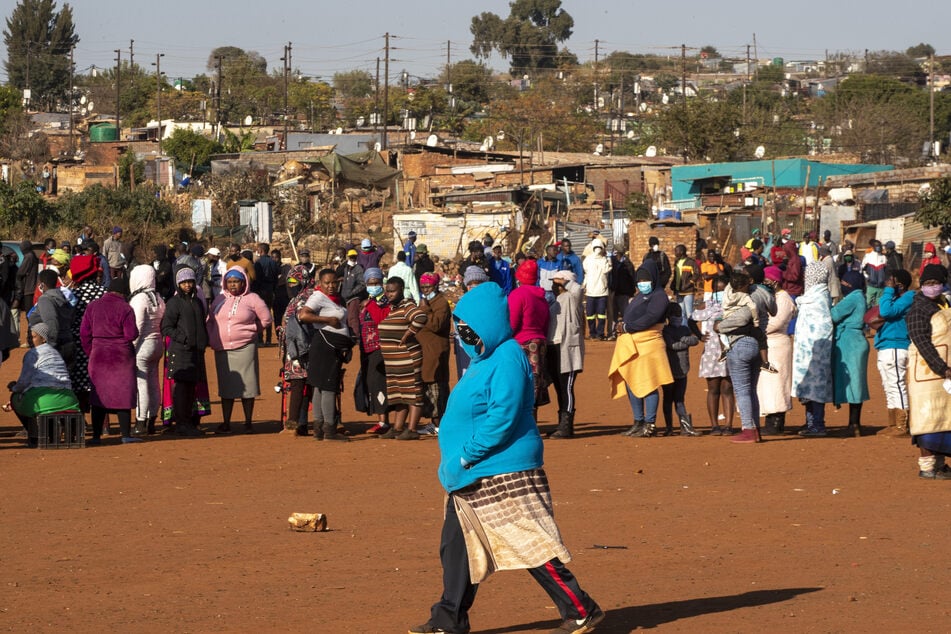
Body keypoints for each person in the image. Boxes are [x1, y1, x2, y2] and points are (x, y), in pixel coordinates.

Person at [409, 281, 603, 634]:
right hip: (471, 473)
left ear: (489, 323)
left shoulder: (509, 357)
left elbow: (505, 415)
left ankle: (581, 609)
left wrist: (468, 454)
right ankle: (448, 619)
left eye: (470, 330)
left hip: (499, 469)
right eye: (461, 330)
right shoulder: (485, 360)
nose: (465, 337)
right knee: (457, 547)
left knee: (531, 543)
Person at [610, 260, 672, 438]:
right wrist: (623, 325)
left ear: (654, 278)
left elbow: (652, 316)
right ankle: (638, 421)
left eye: (646, 279)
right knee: (631, 381)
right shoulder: (639, 296)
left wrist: (628, 327)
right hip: (632, 344)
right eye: (640, 280)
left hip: (649, 344)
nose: (642, 283)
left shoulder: (660, 296)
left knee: (650, 383)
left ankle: (650, 423)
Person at [207, 267, 272, 434]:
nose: (233, 285)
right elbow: (210, 320)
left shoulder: (253, 299)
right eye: (229, 282)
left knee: (248, 386)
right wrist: (213, 336)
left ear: (243, 282)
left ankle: (248, 422)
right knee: (226, 388)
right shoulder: (219, 299)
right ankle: (226, 422)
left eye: (236, 281)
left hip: (245, 348)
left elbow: (266, 319)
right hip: (222, 349)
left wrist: (251, 330)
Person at [79, 277, 139, 445]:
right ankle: (126, 435)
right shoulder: (126, 308)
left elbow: (84, 333)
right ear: (123, 292)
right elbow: (130, 334)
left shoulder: (93, 306)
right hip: (121, 356)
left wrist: (91, 351)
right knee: (123, 396)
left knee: (99, 397)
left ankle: (96, 436)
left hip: (98, 356)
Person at [905, 264, 951, 479]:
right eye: (927, 284)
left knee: (944, 419)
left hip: (944, 374)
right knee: (927, 420)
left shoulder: (944, 304)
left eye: (936, 283)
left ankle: (940, 464)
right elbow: (921, 341)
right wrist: (941, 367)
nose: (932, 287)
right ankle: (927, 466)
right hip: (925, 372)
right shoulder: (918, 308)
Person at [298, 269, 352, 441]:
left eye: (334, 282)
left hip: (329, 346)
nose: (331, 286)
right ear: (320, 283)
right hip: (325, 346)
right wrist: (327, 320)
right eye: (327, 283)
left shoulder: (337, 299)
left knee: (320, 386)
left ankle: (319, 429)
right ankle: (329, 430)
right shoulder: (318, 297)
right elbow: (303, 315)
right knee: (328, 386)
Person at [8, 322, 80, 448]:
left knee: (16, 398)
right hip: (69, 398)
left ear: (43, 339)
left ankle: (34, 436)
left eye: (34, 337)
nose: (31, 340)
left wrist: (14, 388)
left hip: (44, 399)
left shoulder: (32, 354)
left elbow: (24, 382)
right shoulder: (56, 353)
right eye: (29, 337)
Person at [716, 270, 766, 444]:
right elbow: (773, 308)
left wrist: (720, 326)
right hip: (757, 345)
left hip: (739, 345)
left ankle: (748, 430)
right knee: (751, 389)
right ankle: (756, 428)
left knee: (742, 390)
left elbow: (742, 318)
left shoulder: (739, 298)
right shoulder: (762, 293)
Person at [160, 267, 210, 437]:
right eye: (183, 282)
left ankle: (187, 422)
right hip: (181, 351)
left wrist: (203, 342)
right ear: (178, 284)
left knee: (190, 389)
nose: (187, 285)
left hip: (196, 352)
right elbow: (166, 327)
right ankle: (181, 423)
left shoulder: (196, 302)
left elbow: (202, 324)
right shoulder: (174, 303)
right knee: (181, 389)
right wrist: (183, 338)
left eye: (190, 282)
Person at [377, 276, 428, 440]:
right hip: (395, 362)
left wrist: (409, 333)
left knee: (413, 393)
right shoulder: (392, 308)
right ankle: (398, 428)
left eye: (393, 291)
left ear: (401, 290)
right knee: (400, 394)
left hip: (408, 358)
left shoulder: (407, 305)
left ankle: (412, 429)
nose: (389, 294)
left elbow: (421, 317)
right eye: (388, 291)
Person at [791, 263, 835, 437]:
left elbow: (823, 325)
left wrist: (813, 347)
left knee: (815, 388)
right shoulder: (810, 297)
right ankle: (810, 422)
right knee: (807, 388)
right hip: (806, 350)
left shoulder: (819, 298)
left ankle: (818, 424)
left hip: (817, 352)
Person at [691, 276, 736, 435]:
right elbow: (691, 318)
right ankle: (714, 425)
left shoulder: (734, 306)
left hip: (730, 351)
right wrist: (699, 336)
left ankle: (729, 425)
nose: (721, 293)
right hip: (711, 352)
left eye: (724, 289)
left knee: (728, 388)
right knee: (713, 389)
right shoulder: (707, 306)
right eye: (718, 290)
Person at [546, 270, 585, 439]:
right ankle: (561, 422)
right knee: (558, 387)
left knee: (566, 388)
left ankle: (567, 425)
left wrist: (564, 281)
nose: (554, 285)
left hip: (568, 349)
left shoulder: (573, 298)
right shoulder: (556, 301)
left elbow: (578, 289)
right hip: (554, 347)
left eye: (557, 282)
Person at [508, 259, 551, 415]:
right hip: (540, 342)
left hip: (522, 343)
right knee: (535, 382)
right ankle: (533, 420)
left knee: (519, 383)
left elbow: (512, 323)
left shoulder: (517, 295)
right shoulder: (542, 297)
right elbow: (546, 323)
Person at [757, 266, 796, 436]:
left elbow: (776, 323)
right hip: (768, 345)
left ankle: (776, 422)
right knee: (768, 384)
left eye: (767, 280)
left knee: (778, 383)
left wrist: (755, 328)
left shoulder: (784, 298)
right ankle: (771, 420)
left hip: (778, 344)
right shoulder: (771, 296)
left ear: (774, 281)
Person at [875, 269, 914, 435]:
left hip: (897, 345)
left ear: (900, 284)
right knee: (889, 385)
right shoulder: (897, 298)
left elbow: (885, 312)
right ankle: (893, 423)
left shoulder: (908, 297)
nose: (888, 283)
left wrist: (889, 290)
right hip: (887, 345)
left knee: (897, 385)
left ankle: (902, 425)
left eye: (892, 281)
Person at [831, 270, 870, 437]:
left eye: (845, 283)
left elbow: (834, 315)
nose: (843, 286)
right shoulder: (859, 296)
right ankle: (854, 423)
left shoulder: (853, 298)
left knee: (853, 383)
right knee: (857, 383)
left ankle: (854, 424)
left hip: (849, 342)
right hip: (856, 340)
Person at [278, 265, 315, 434]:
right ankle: (301, 424)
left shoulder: (308, 297)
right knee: (300, 384)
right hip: (294, 349)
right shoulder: (296, 298)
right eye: (289, 282)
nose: (291, 285)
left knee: (300, 384)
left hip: (302, 349)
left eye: (294, 281)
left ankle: (294, 423)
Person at [129, 264, 166, 436]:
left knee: (141, 384)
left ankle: (140, 421)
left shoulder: (139, 299)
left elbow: (137, 327)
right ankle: (152, 419)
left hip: (143, 345)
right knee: (153, 382)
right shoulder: (158, 297)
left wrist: (131, 348)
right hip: (158, 343)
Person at [65, 255, 104, 415]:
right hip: (102, 344)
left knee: (79, 385)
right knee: (100, 385)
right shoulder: (104, 293)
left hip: (79, 344)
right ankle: (104, 426)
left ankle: (80, 424)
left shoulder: (72, 295)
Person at [416, 272, 451, 435]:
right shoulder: (427, 301)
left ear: (435, 286)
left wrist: (424, 310)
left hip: (435, 351)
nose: (425, 290)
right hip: (425, 350)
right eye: (422, 287)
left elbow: (436, 325)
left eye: (427, 287)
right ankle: (433, 424)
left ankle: (438, 426)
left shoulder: (441, 303)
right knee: (427, 387)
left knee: (436, 387)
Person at [359, 267, 392, 435]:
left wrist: (369, 304)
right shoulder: (369, 300)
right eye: (370, 283)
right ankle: (381, 419)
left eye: (376, 283)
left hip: (380, 348)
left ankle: (383, 422)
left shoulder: (383, 301)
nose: (373, 286)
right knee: (372, 383)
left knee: (379, 383)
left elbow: (381, 319)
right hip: (367, 349)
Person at [661, 303, 700, 436]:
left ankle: (685, 427)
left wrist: (683, 339)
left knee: (679, 398)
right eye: (674, 314)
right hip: (669, 370)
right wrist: (685, 341)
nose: (677, 317)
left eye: (679, 314)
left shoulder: (684, 328)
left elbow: (695, 340)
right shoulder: (665, 330)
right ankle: (669, 427)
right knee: (668, 399)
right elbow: (672, 345)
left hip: (683, 370)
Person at [29, 269, 75, 365]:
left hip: (56, 346)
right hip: (67, 342)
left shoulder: (45, 299)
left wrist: (50, 348)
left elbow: (51, 322)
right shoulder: (63, 297)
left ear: (42, 284)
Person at [252, 243, 280, 346]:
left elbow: (256, 279)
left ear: (260, 251)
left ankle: (260, 339)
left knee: (259, 315)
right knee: (268, 314)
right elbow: (276, 277)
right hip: (270, 290)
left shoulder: (258, 263)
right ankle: (268, 340)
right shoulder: (273, 262)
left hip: (260, 291)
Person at [582, 244, 611, 340]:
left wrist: (608, 260)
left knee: (601, 314)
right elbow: (586, 273)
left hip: (601, 291)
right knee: (590, 315)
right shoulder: (588, 260)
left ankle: (600, 333)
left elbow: (607, 269)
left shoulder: (604, 260)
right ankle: (592, 333)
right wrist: (584, 285)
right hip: (591, 291)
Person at [13, 238, 39, 343]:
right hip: (31, 288)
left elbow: (20, 272)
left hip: (29, 289)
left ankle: (30, 339)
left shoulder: (28, 257)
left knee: (29, 315)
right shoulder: (33, 256)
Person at [609, 248, 636, 337]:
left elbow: (632, 278)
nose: (615, 256)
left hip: (624, 293)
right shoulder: (612, 264)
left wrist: (631, 292)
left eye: (616, 254)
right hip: (614, 292)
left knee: (625, 313)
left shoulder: (627, 265)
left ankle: (625, 331)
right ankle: (613, 333)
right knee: (613, 315)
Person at [670, 244, 697, 324]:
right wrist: (673, 284)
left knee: (689, 313)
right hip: (679, 291)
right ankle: (684, 330)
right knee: (681, 313)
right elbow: (676, 276)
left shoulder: (690, 262)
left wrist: (689, 284)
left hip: (688, 291)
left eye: (676, 251)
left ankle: (691, 330)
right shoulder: (677, 262)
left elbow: (696, 274)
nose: (675, 252)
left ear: (681, 251)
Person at [862, 239, 887, 308]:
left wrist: (883, 279)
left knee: (878, 306)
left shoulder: (884, 257)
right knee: (868, 303)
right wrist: (868, 277)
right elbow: (863, 269)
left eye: (880, 246)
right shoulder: (868, 256)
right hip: (871, 285)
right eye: (877, 246)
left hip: (881, 286)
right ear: (873, 246)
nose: (879, 247)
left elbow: (885, 270)